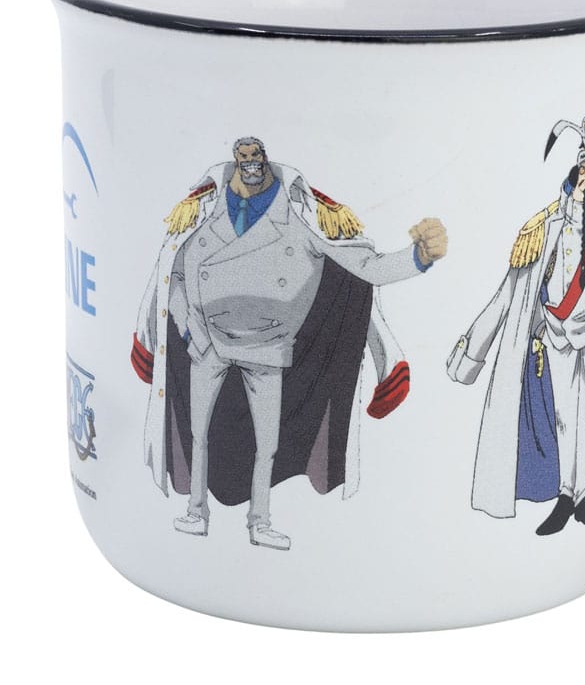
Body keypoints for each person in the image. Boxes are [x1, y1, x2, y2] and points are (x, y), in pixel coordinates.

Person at [132, 137, 447, 550]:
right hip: (207, 345)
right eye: (243, 158)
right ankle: (196, 511)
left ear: (265, 161)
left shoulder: (305, 218)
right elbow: (172, 274)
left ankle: (260, 521)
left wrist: (418, 257)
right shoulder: (203, 210)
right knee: (198, 433)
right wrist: (190, 329)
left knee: (268, 444)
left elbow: (366, 267)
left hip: (266, 348)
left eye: (256, 157)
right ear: (235, 162)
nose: (250, 164)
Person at [447, 113, 585, 536]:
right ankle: (564, 494)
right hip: (555, 331)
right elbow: (509, 291)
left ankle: (583, 494)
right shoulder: (543, 227)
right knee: (562, 416)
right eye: (580, 172)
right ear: (571, 178)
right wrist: (471, 354)